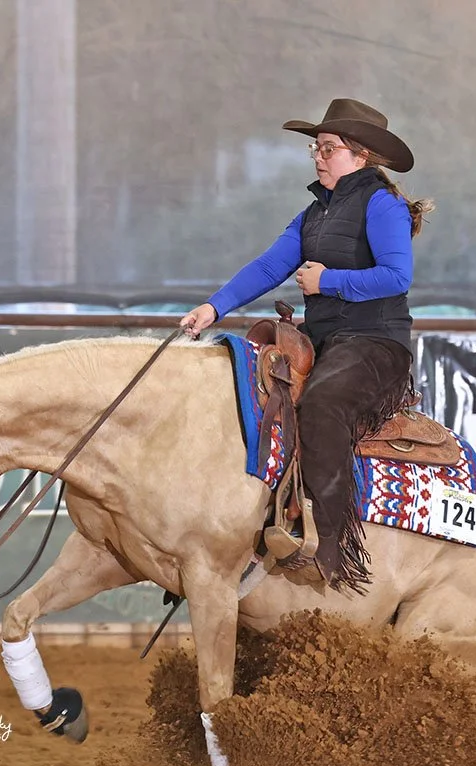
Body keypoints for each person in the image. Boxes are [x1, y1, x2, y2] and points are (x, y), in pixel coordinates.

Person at [179, 98, 434, 592]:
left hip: (377, 344)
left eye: (329, 148)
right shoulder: (314, 213)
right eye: (316, 148)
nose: (319, 156)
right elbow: (270, 267)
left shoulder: (382, 204)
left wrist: (328, 281)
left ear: (360, 156)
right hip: (328, 342)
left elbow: (397, 276)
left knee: (321, 406)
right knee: (250, 398)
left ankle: (332, 548)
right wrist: (214, 307)